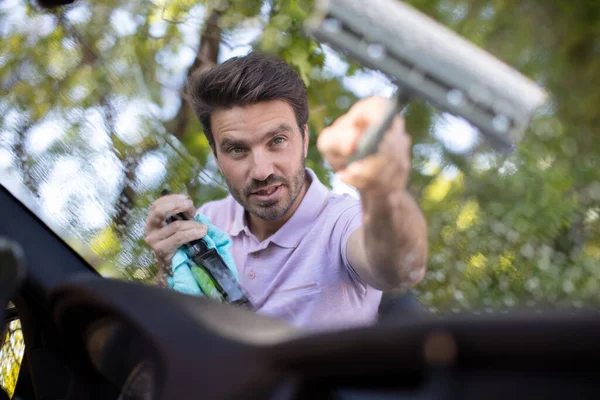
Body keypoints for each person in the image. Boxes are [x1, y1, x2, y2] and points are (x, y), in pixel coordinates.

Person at [144, 51, 428, 332]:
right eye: (237, 149)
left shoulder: (343, 221)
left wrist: (384, 190)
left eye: (277, 140)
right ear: (217, 156)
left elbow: (397, 269)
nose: (261, 171)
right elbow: (173, 326)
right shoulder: (207, 224)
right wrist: (166, 269)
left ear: (304, 140)